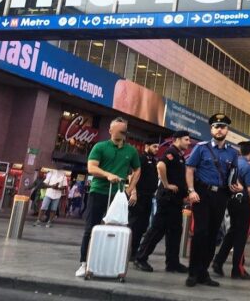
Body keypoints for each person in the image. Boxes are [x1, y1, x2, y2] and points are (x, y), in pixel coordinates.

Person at [75, 117, 141, 278]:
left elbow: (137, 170)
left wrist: (130, 189)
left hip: (118, 195)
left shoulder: (131, 151)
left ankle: (111, 262)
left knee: (116, 227)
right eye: (119, 130)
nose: (123, 133)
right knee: (91, 227)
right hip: (99, 192)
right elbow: (91, 167)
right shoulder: (100, 147)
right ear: (111, 131)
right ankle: (84, 263)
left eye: (124, 130)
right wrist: (108, 175)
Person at [184, 113, 243, 288]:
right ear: (211, 129)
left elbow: (233, 175)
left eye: (223, 127)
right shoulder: (201, 148)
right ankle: (193, 272)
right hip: (202, 194)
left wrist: (237, 186)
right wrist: (191, 190)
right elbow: (189, 169)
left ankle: (203, 272)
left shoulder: (233, 153)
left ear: (227, 130)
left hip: (221, 196)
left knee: (213, 235)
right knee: (200, 232)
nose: (219, 129)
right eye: (216, 126)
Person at [134, 131, 191, 273]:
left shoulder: (179, 155)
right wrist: (166, 184)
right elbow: (160, 166)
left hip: (175, 200)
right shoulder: (170, 152)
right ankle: (140, 258)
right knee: (157, 230)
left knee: (175, 231)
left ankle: (172, 262)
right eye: (186, 139)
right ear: (177, 140)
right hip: (167, 198)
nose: (189, 142)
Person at [213, 140, 250, 280]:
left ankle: (218, 261)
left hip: (231, 202)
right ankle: (237, 269)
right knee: (241, 236)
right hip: (242, 204)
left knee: (232, 232)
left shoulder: (234, 163)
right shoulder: (248, 167)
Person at [129, 138, 160, 261]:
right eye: (154, 146)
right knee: (134, 225)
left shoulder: (153, 160)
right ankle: (129, 252)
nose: (157, 149)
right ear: (147, 146)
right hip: (139, 196)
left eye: (158, 147)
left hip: (148, 197)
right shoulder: (141, 158)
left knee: (143, 226)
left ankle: (135, 251)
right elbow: (132, 174)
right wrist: (133, 192)